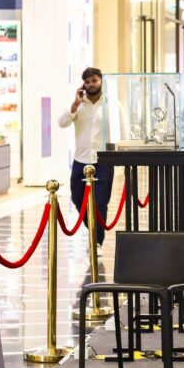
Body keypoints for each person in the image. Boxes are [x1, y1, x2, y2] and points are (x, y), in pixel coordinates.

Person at [59, 67, 114, 246]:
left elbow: (121, 128)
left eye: (94, 81)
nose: (91, 85)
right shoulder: (78, 105)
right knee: (77, 199)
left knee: (99, 203)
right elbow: (62, 123)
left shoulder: (111, 103)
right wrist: (74, 105)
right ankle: (93, 230)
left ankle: (97, 241)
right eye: (88, 82)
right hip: (80, 160)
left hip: (103, 161)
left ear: (101, 81)